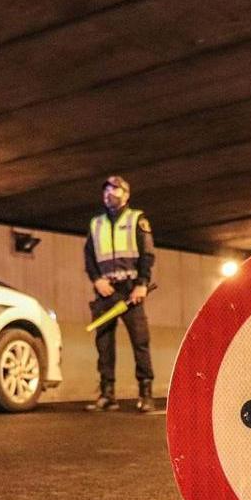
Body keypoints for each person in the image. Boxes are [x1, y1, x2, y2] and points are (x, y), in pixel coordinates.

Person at [84, 175, 155, 412]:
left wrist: (142, 283)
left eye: (114, 190)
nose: (108, 194)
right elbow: (89, 257)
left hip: (130, 289)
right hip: (105, 291)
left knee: (140, 341)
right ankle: (107, 394)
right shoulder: (96, 224)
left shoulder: (137, 220)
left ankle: (146, 393)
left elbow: (146, 254)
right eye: (105, 191)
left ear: (126, 195)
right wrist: (97, 280)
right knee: (103, 343)